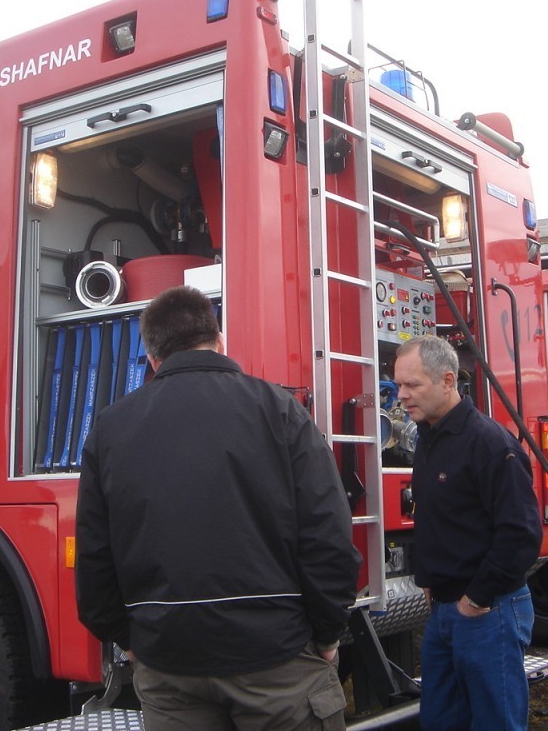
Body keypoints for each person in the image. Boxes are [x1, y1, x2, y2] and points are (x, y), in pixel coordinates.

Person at [75, 285, 361, 730]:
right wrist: (327, 633)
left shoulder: (110, 431)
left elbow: (93, 560)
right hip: (277, 661)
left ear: (153, 358)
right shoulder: (280, 411)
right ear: (220, 339)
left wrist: (128, 637)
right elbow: (329, 536)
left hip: (168, 665)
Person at [393, 335, 543, 731]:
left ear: (447, 380)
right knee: (441, 720)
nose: (402, 396)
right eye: (398, 385)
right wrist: (427, 579)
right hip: (445, 611)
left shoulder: (489, 444)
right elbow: (435, 516)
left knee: (496, 722)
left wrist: (476, 598)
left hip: (488, 611)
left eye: (412, 385)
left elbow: (522, 533)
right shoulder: (428, 439)